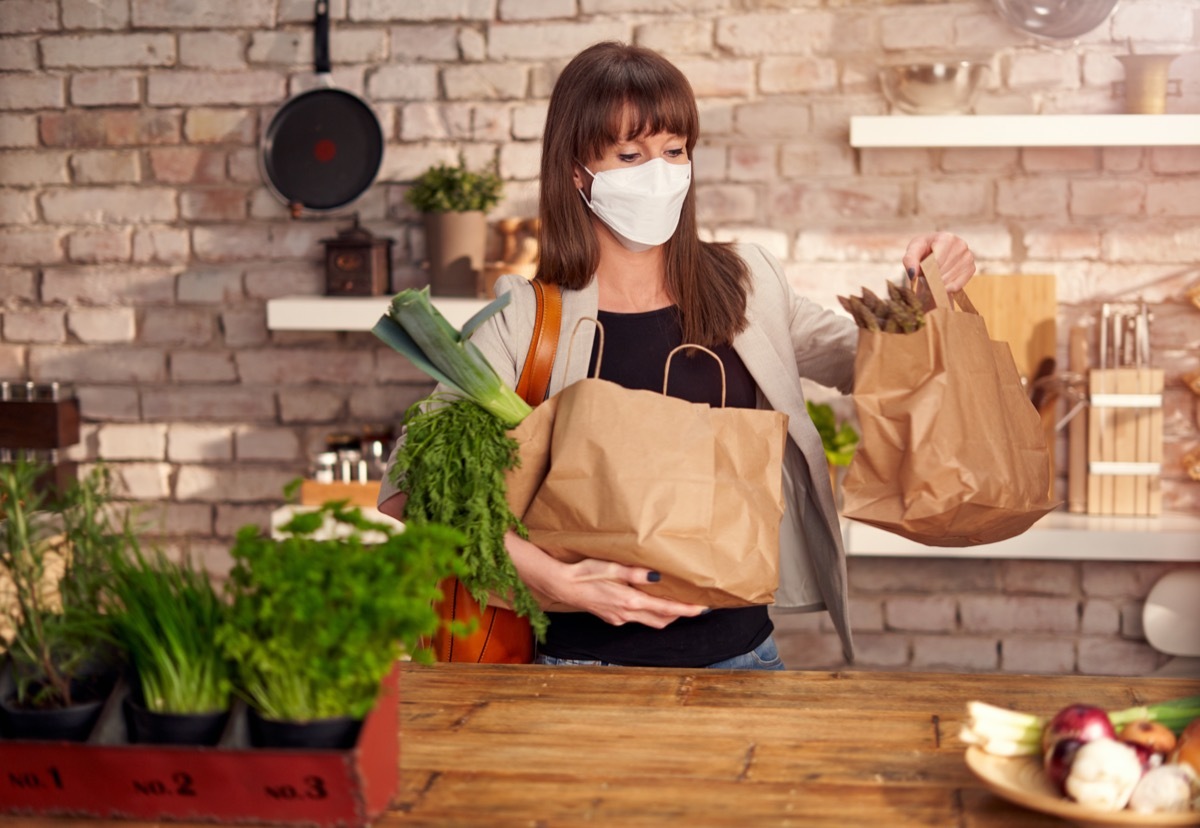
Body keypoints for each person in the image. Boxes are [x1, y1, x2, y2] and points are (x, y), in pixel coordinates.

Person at [379, 41, 976, 670]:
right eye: (629, 155)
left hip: (746, 659)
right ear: (577, 172)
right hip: (581, 675)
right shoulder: (528, 317)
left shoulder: (749, 282)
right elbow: (411, 490)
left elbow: (875, 364)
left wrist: (929, 291)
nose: (658, 172)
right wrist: (552, 582)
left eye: (674, 151)